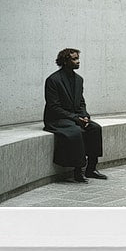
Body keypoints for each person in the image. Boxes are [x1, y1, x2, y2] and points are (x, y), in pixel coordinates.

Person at [43, 48, 107, 183]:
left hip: (75, 117)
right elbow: (54, 107)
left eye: (78, 58)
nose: (78, 62)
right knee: (76, 131)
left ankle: (91, 168)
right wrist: (76, 118)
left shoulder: (79, 79)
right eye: (74, 59)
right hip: (57, 119)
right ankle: (78, 170)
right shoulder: (53, 80)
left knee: (95, 128)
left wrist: (85, 116)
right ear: (65, 61)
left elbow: (81, 102)